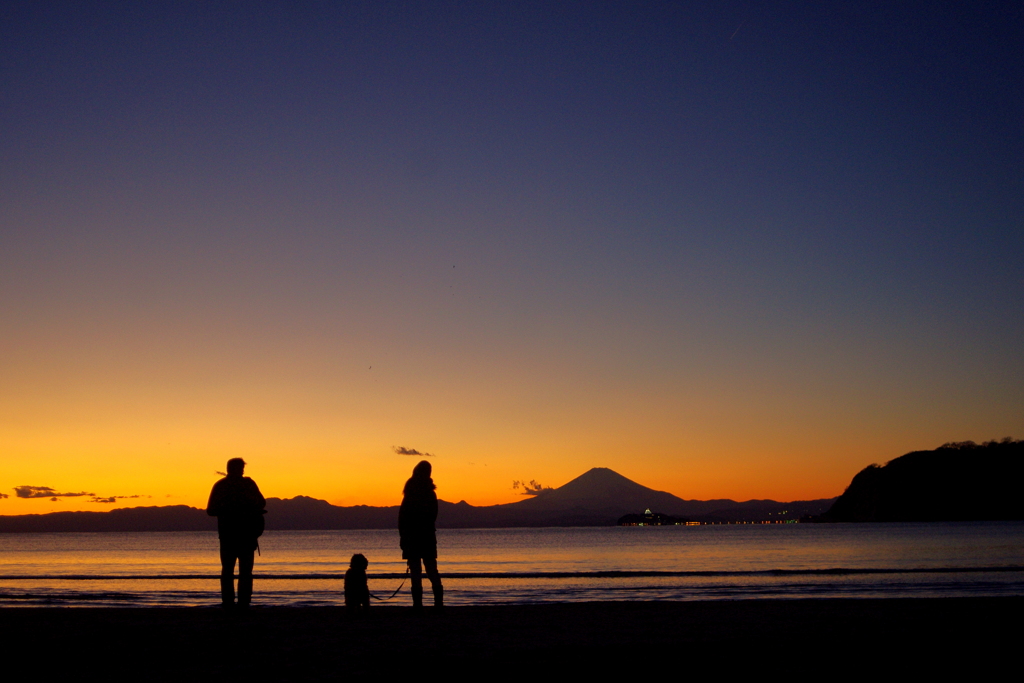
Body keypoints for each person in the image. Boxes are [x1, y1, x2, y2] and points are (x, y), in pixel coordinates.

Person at [207, 458, 266, 610]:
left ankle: (236, 602)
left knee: (235, 571)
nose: (241, 471)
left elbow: (261, 503)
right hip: (236, 535)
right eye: (239, 468)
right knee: (236, 571)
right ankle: (236, 603)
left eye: (241, 468)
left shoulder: (233, 485)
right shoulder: (240, 485)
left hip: (238, 535)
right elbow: (211, 510)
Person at [399, 460, 443, 610]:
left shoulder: (410, 493)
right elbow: (433, 516)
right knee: (431, 570)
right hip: (426, 537)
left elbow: (402, 518)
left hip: (412, 537)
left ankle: (418, 606)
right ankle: (438, 605)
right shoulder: (430, 494)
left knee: (416, 572)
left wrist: (403, 537)